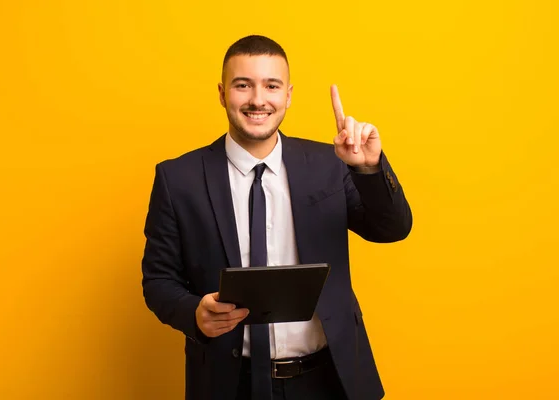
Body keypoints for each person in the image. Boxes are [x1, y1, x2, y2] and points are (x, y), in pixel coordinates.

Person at [141, 34, 412, 400]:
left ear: (288, 95)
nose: (257, 100)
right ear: (222, 93)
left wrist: (369, 169)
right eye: (243, 85)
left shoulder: (331, 165)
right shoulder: (178, 179)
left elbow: (392, 229)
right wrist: (193, 313)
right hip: (228, 383)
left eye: (271, 85)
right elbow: (158, 281)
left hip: (329, 380)